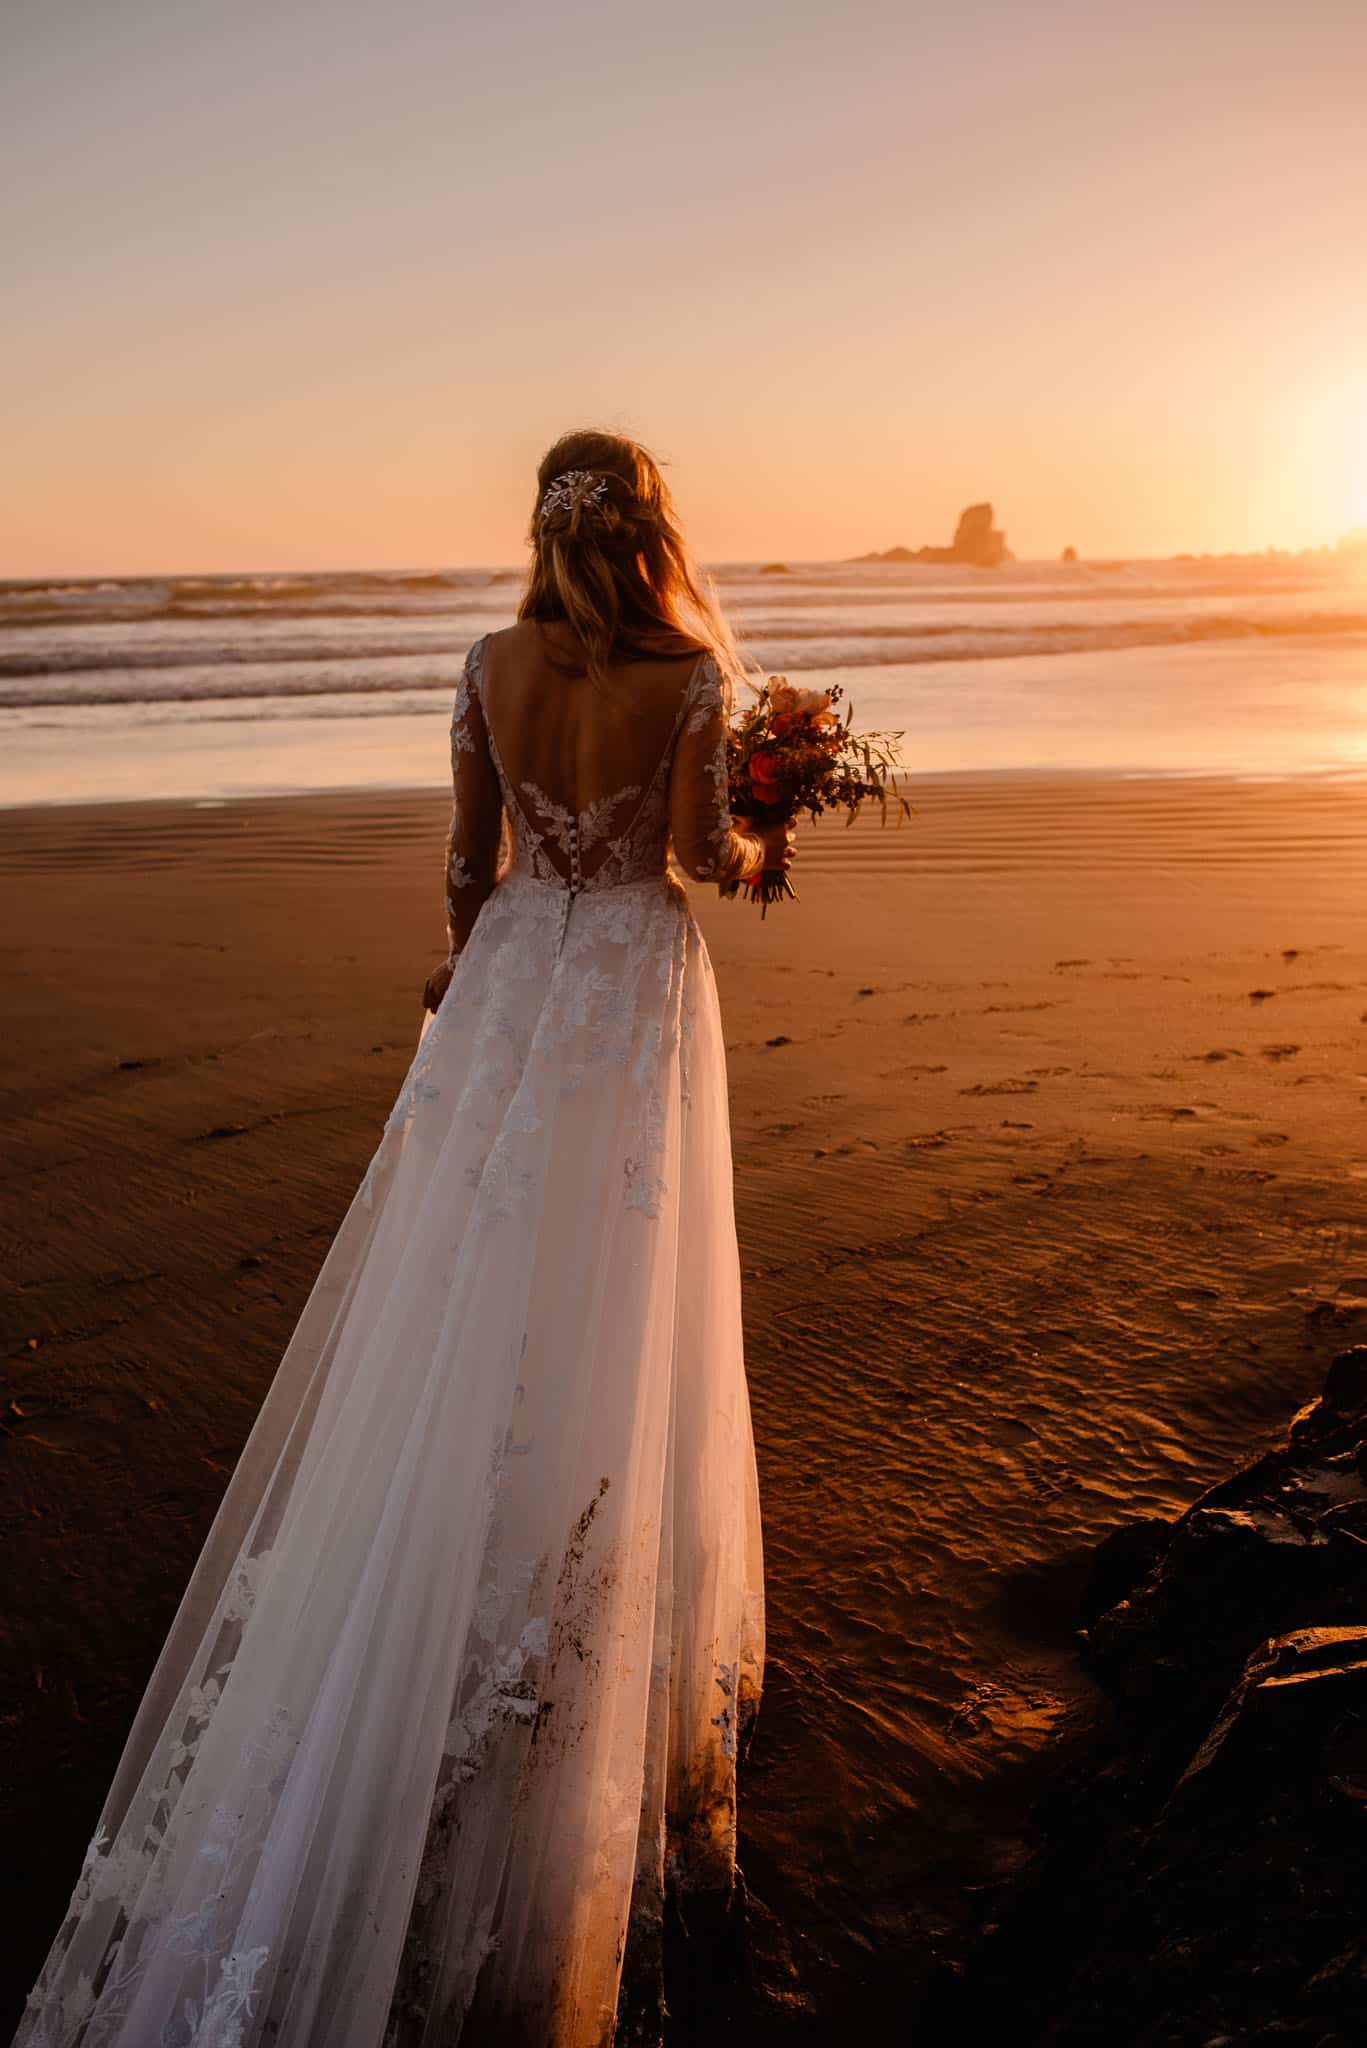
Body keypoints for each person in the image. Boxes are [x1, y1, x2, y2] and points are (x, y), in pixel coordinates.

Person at [12, 429, 793, 2048]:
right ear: (654, 531)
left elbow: (470, 865)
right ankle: (566, 1622)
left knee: (467, 1295)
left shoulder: (488, 662)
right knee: (608, 1295)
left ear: (546, 526)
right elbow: (702, 861)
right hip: (631, 997)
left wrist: (464, 971)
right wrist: (773, 834)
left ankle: (441, 1585)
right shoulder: (695, 681)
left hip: (519, 985)